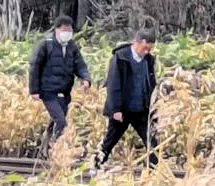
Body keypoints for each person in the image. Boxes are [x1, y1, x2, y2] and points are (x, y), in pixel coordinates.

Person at [97, 29, 159, 169]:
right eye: (144, 48)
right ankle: (95, 165)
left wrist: (153, 105)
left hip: (141, 109)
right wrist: (116, 109)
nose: (146, 52)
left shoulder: (148, 60)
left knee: (152, 140)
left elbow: (151, 83)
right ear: (135, 43)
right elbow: (113, 85)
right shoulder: (120, 58)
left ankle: (154, 170)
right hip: (122, 110)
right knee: (110, 140)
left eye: (149, 49)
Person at [29, 16, 91, 148]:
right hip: (48, 91)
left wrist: (85, 79)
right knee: (60, 121)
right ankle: (56, 148)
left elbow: (79, 65)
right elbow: (35, 67)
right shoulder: (46, 44)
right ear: (56, 30)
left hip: (64, 92)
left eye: (69, 31)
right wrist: (34, 90)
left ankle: (45, 150)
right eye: (64, 30)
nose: (67, 34)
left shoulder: (72, 46)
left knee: (55, 121)